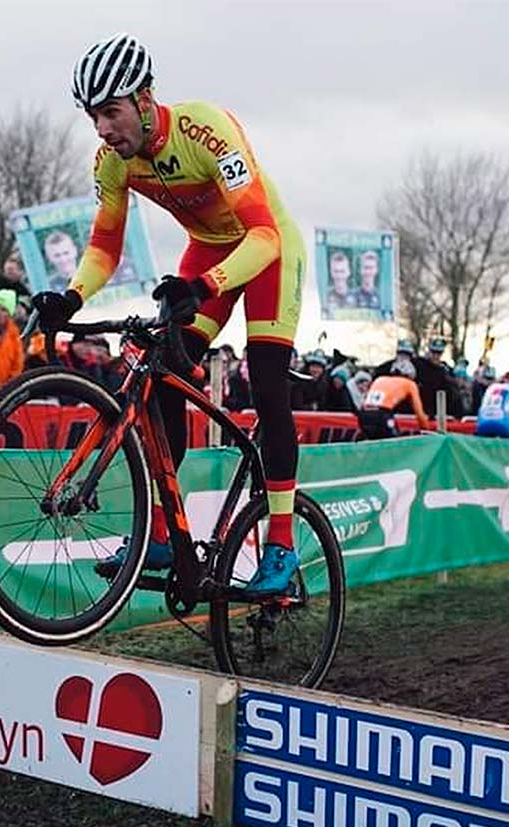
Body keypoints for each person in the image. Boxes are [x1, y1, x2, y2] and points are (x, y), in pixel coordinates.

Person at [31, 34, 308, 596]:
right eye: (93, 118)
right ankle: (161, 532)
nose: (104, 129)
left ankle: (282, 542)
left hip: (267, 252)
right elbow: (105, 246)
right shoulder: (112, 162)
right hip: (206, 253)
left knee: (269, 386)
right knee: (163, 386)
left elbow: (262, 235)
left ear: (145, 97)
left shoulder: (206, 130)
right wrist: (71, 296)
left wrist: (202, 286)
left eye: (111, 112)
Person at [358, 359, 430, 439]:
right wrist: (426, 429)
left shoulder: (380, 379)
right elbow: (419, 412)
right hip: (382, 414)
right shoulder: (410, 384)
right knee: (394, 443)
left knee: (373, 442)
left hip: (364, 413)